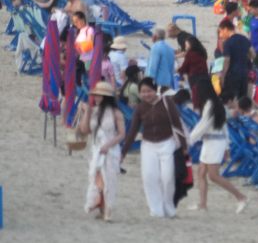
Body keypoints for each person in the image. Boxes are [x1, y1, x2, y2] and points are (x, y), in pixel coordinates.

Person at [120, 77, 188, 218]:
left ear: (155, 90)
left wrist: (184, 146)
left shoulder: (167, 102)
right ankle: (156, 210)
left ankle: (169, 208)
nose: (146, 95)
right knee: (149, 177)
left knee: (168, 177)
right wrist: (123, 152)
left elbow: (177, 125)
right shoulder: (140, 108)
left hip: (167, 143)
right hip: (148, 145)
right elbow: (132, 132)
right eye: (143, 92)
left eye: (149, 91)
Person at [187, 77, 248, 212]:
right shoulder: (215, 103)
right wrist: (227, 146)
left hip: (214, 142)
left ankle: (241, 197)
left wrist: (188, 140)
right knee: (201, 173)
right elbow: (223, 126)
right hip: (211, 141)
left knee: (213, 176)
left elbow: (203, 124)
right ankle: (203, 204)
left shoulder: (211, 104)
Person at [79, 81, 125, 221]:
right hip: (96, 148)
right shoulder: (93, 110)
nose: (97, 98)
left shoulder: (116, 113)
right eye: (96, 95)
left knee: (109, 179)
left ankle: (108, 210)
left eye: (100, 96)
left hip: (110, 149)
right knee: (96, 179)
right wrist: (86, 112)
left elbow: (121, 134)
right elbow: (84, 130)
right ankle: (101, 208)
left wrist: (108, 145)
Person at [217, 19, 252, 103]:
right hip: (244, 73)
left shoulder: (228, 43)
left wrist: (222, 76)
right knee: (242, 101)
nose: (220, 35)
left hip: (232, 74)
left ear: (225, 29)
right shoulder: (244, 39)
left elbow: (227, 61)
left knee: (228, 101)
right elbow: (253, 54)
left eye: (220, 32)